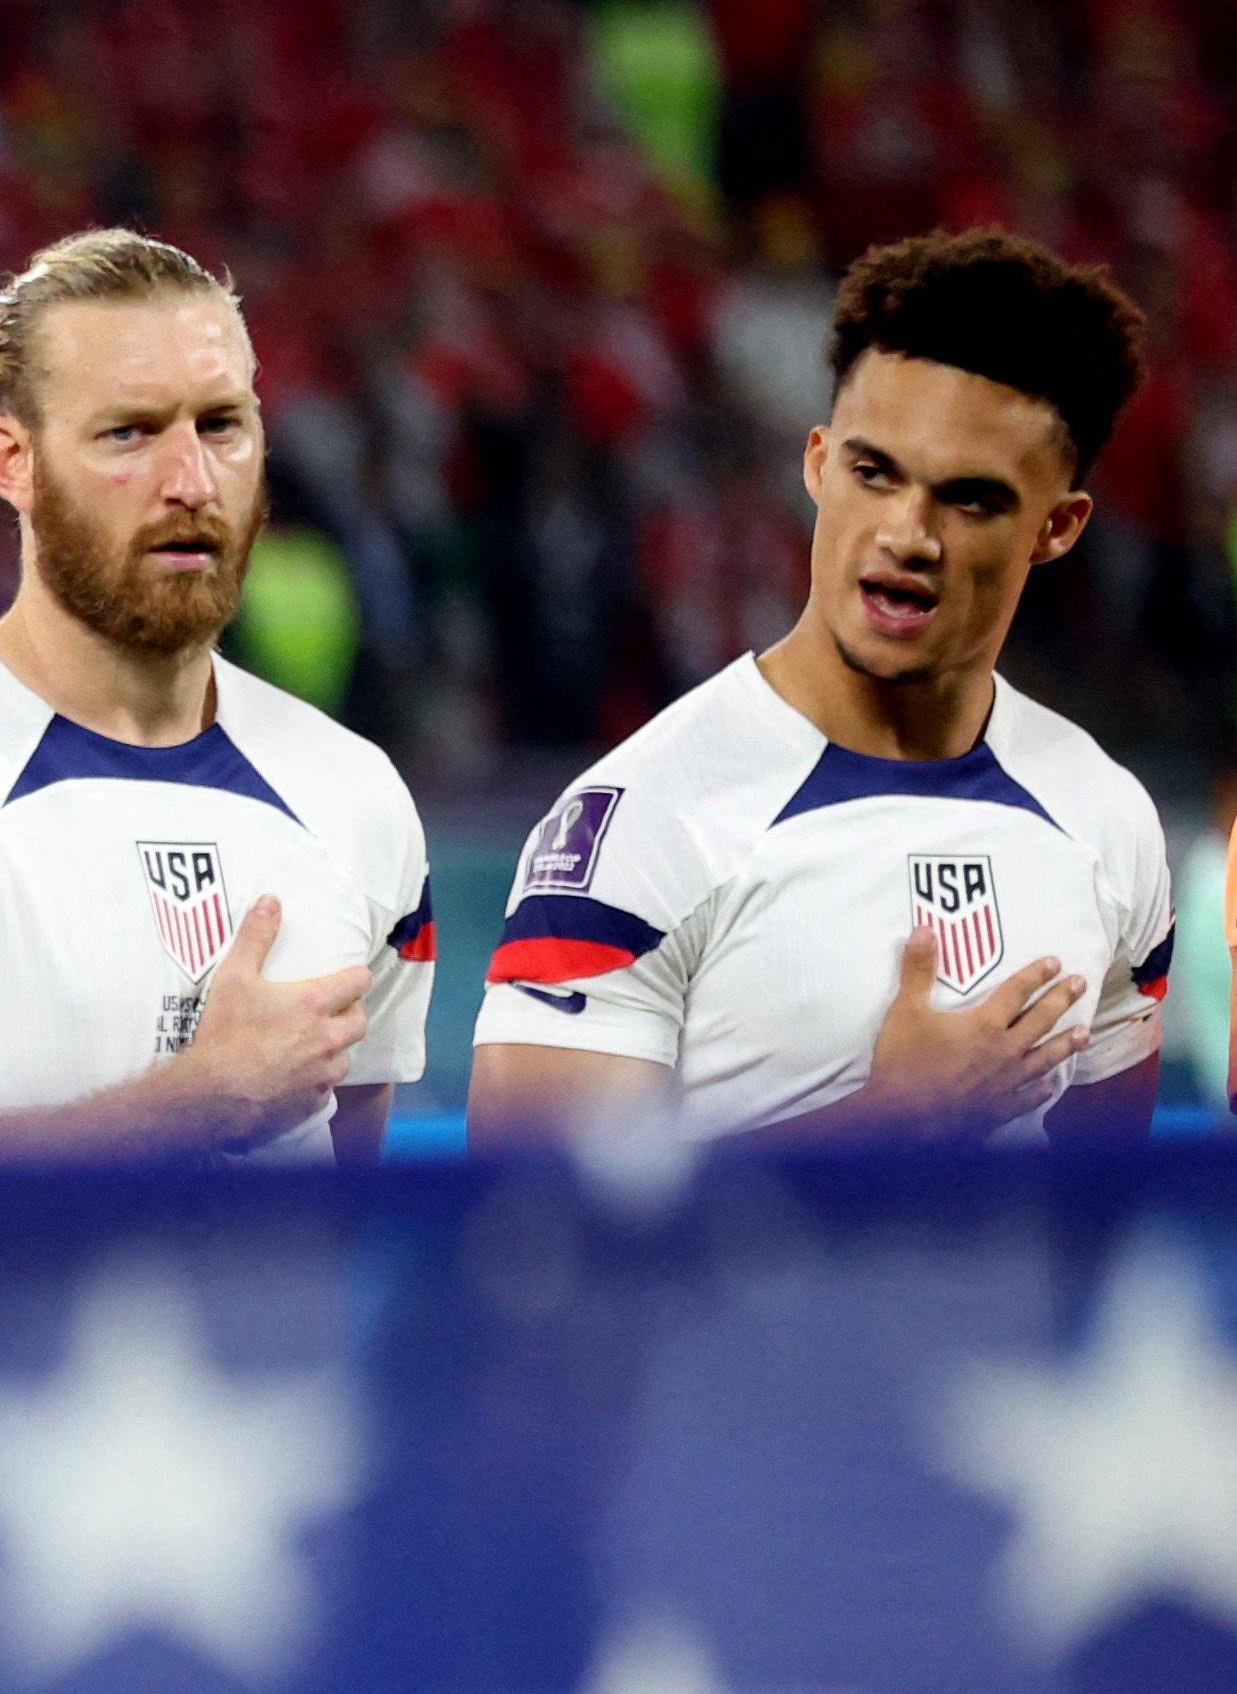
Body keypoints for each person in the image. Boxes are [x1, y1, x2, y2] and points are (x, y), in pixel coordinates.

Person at [466, 229, 1169, 1147]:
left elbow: (1101, 1226)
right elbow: (523, 1231)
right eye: (872, 474)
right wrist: (882, 1122)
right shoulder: (639, 822)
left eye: (969, 498)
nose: (905, 534)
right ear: (815, 462)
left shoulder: (1104, 818)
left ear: (1057, 527)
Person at [0, 229, 434, 1164]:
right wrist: (198, 1102)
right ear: (10, 461)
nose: (190, 481)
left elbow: (342, 1208)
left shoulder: (356, 794)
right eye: (129, 432)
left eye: (220, 426)